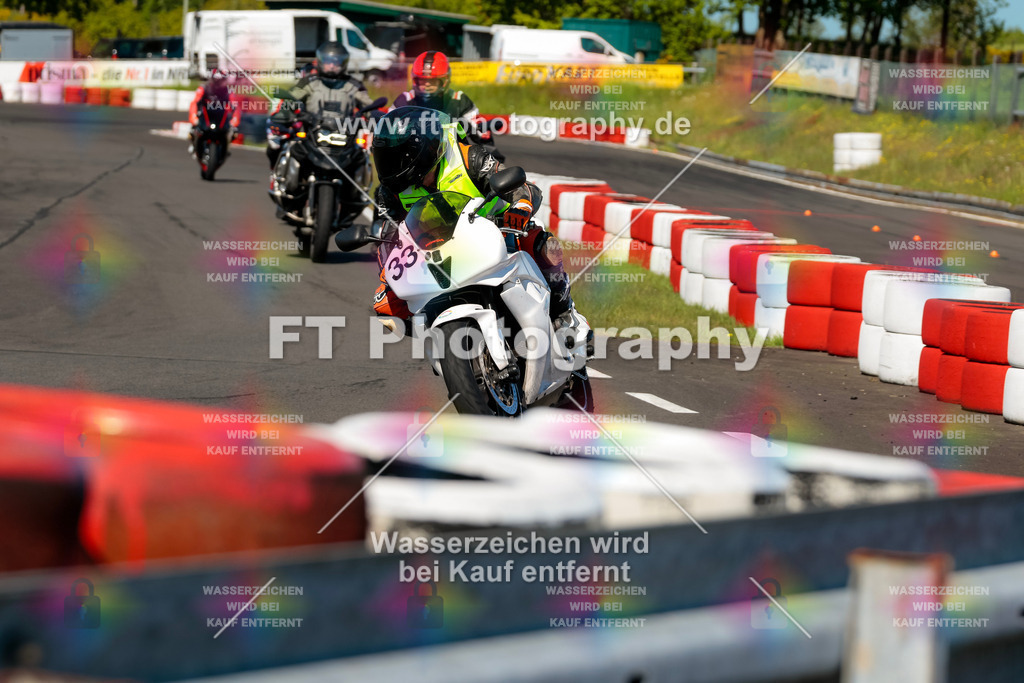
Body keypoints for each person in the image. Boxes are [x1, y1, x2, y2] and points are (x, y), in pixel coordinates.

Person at [369, 107, 576, 330]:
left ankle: (563, 310)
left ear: (424, 150)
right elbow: (390, 237)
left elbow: (522, 188)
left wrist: (519, 209)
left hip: (498, 231)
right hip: (435, 252)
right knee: (386, 305)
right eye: (386, 158)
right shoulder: (389, 191)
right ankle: (440, 333)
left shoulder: (469, 157)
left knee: (544, 246)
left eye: (398, 157)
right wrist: (388, 271)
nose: (391, 166)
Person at [266, 41, 376, 168]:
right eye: (328, 62)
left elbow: (369, 106)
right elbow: (292, 99)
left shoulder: (354, 85)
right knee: (284, 146)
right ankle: (280, 176)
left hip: (344, 137)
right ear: (320, 61)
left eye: (336, 62)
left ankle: (358, 186)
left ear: (343, 63)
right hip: (310, 134)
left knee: (361, 157)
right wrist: (285, 113)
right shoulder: (309, 82)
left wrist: (375, 117)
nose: (331, 66)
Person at [390, 51, 501, 156]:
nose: (427, 84)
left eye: (432, 81)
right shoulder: (405, 100)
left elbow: (479, 129)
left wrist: (481, 130)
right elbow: (386, 128)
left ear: (444, 80)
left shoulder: (459, 100)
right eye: (423, 80)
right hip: (411, 160)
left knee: (490, 161)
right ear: (416, 80)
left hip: (452, 160)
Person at [188, 70, 240, 157]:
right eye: (216, 81)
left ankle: (226, 149)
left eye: (220, 81)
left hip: (221, 116)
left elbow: (235, 106)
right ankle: (194, 145)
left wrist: (235, 120)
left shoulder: (228, 91)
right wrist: (193, 117)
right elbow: (194, 103)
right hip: (206, 114)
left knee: (233, 132)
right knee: (193, 129)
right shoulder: (203, 88)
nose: (218, 84)